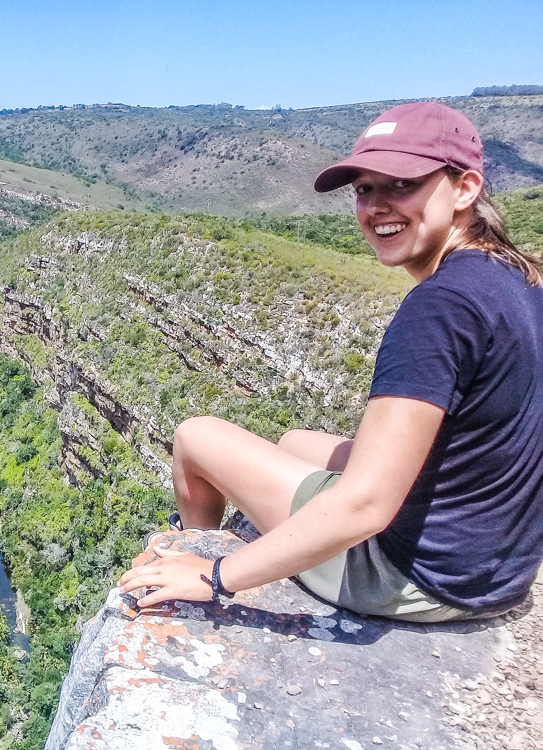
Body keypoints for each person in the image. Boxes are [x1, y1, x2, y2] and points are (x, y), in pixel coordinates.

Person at [118, 102, 543, 622]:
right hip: (492, 565)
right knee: (295, 441)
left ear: (465, 188)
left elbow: (367, 505)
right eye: (364, 189)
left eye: (402, 184)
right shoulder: (518, 277)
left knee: (195, 437)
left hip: (414, 576)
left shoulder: (439, 309)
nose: (377, 206)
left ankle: (193, 550)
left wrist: (218, 575)